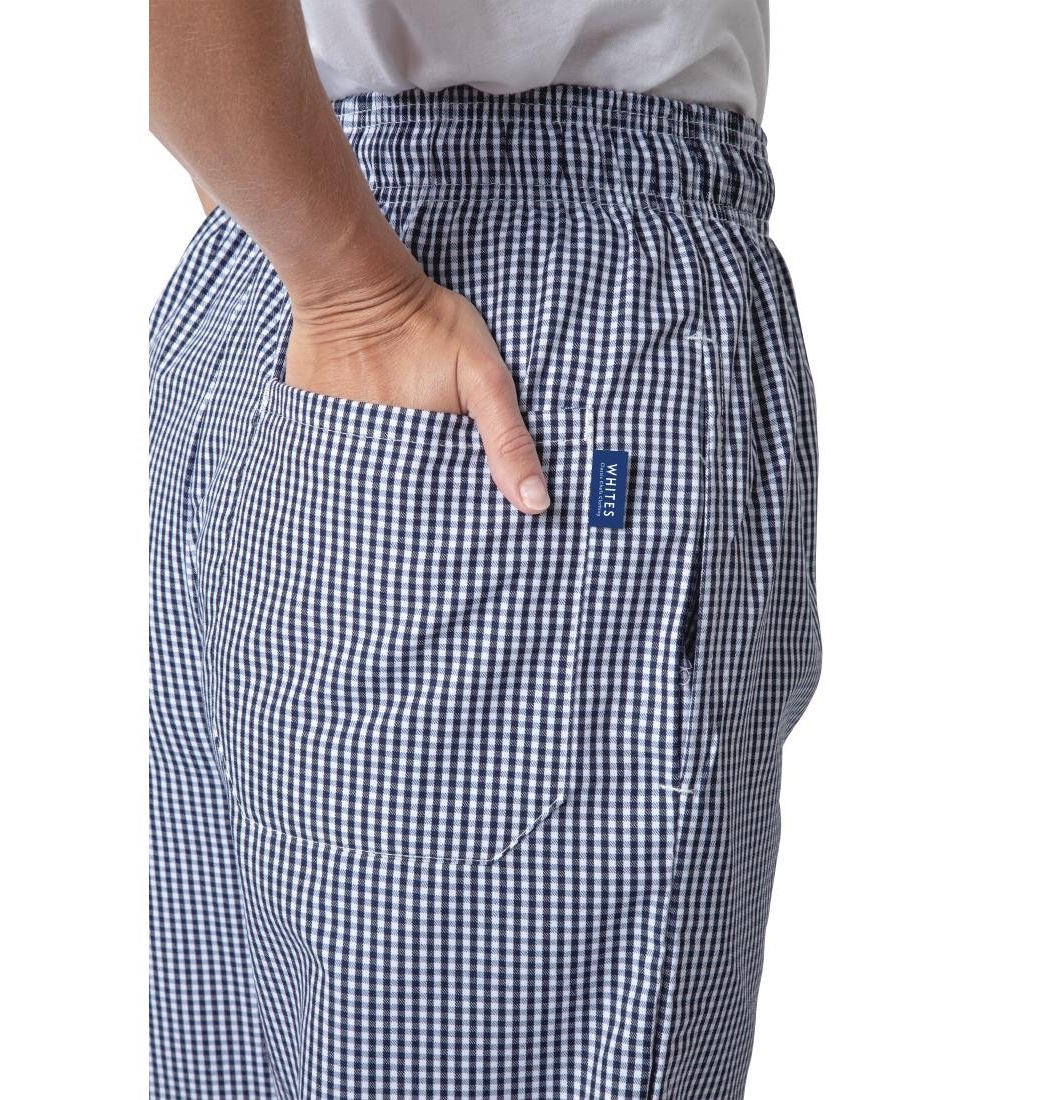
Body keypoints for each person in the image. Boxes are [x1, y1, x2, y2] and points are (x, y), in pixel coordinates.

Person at [148, 1, 821, 1097]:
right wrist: (358, 293)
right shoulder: (393, 289)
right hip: (508, 301)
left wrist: (302, 215)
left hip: (295, 273)